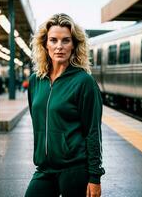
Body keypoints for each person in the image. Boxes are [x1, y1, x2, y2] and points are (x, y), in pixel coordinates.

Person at [25, 13, 105, 197]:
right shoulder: (36, 82)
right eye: (53, 40)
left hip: (75, 169)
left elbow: (93, 131)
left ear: (74, 45)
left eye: (66, 40)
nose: (59, 46)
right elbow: (38, 122)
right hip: (44, 168)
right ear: (45, 44)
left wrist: (95, 176)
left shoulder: (84, 82)